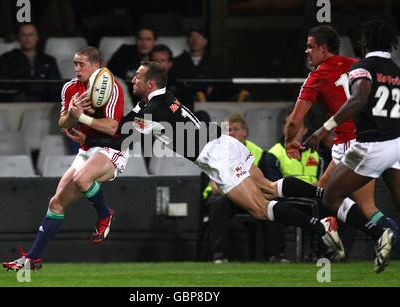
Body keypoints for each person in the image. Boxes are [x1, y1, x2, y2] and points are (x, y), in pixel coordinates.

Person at [69, 60, 347, 262]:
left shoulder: (154, 107)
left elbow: (118, 132)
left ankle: (320, 226)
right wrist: (89, 134)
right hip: (223, 143)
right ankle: (322, 196)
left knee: (261, 210)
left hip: (217, 156)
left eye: (138, 77)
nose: (133, 80)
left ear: (150, 84)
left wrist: (81, 119)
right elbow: (123, 129)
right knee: (270, 188)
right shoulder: (155, 101)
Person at [2, 46, 127, 271]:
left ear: (97, 66)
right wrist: (71, 114)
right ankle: (33, 259)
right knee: (56, 203)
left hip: (112, 148)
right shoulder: (70, 87)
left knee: (82, 179)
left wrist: (81, 118)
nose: (76, 68)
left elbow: (111, 127)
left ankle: (105, 213)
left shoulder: (113, 88)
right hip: (88, 149)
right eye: (75, 64)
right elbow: (62, 124)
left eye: (81, 64)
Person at [284, 24, 399, 255]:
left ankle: (386, 235)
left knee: (359, 204)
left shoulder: (319, 76)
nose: (307, 51)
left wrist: (290, 141)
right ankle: (331, 242)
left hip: (357, 142)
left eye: (310, 47)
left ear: (324, 49)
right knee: (322, 192)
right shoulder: (356, 64)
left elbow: (294, 121)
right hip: (386, 139)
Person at [203, 113, 289, 263]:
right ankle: (220, 256)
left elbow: (265, 183)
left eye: (235, 129)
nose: (231, 133)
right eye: (227, 130)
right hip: (227, 196)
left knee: (270, 204)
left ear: (244, 132)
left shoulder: (259, 154)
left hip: (251, 194)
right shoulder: (214, 151)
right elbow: (213, 185)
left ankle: (275, 255)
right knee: (218, 205)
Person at [0, 23, 61, 102]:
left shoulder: (49, 60)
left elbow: (56, 86)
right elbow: (3, 86)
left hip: (46, 103)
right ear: (18, 38)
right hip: (16, 104)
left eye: (31, 34)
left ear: (37, 37)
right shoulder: (6, 58)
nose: (27, 38)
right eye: (23, 35)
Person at [108, 25, 157, 103]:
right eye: (141, 39)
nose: (144, 43)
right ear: (136, 40)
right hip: (123, 97)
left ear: (155, 42)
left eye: (148, 39)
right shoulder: (124, 52)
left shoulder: (158, 57)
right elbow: (110, 73)